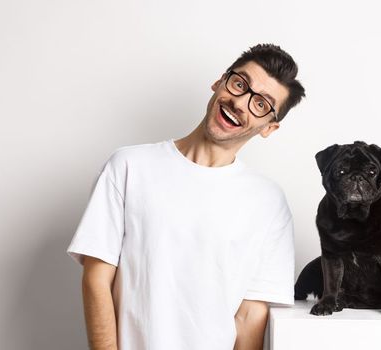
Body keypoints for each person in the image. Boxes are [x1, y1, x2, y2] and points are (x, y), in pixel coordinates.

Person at [66, 43, 306, 350]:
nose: (240, 103)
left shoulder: (269, 203)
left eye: (260, 104)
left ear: (269, 128)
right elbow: (97, 280)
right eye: (239, 84)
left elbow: (249, 317)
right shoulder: (128, 166)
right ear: (220, 81)